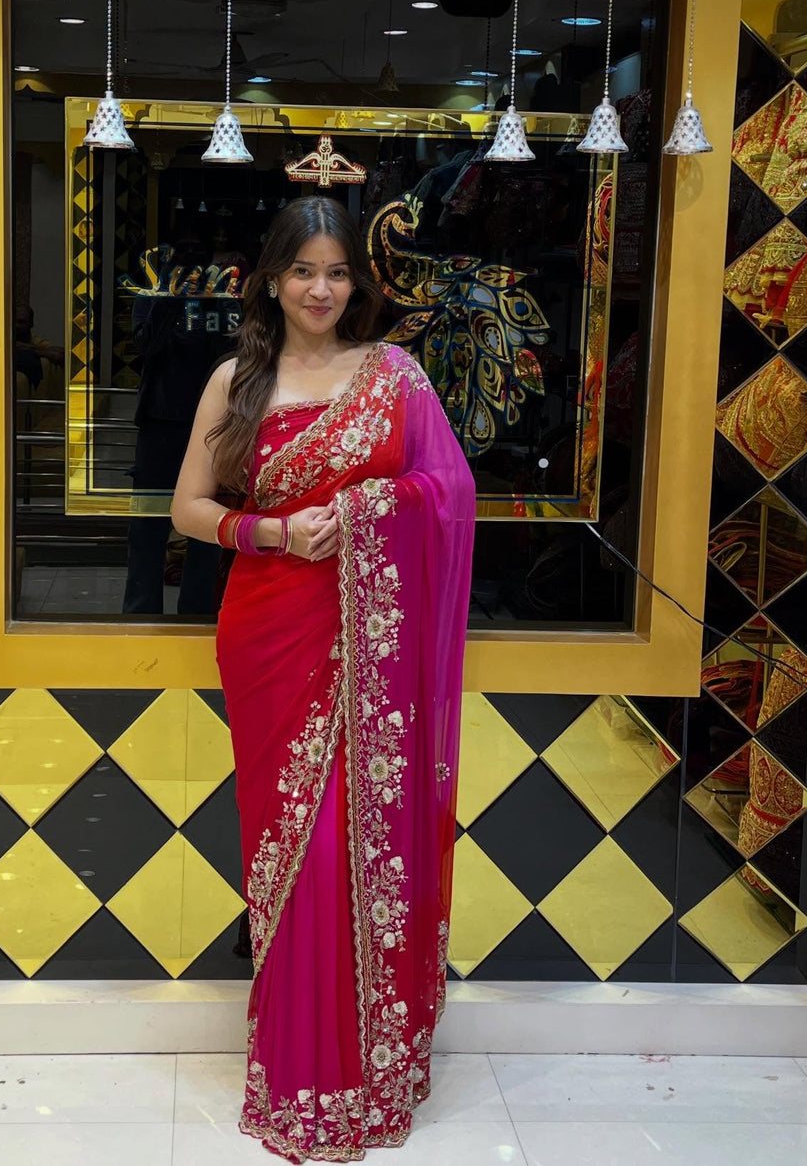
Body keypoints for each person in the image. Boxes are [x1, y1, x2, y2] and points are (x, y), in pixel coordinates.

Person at [171, 195, 476, 1162]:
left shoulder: (396, 376)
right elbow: (186, 507)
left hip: (370, 647)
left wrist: (373, 503)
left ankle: (367, 1064)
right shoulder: (235, 381)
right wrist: (270, 529)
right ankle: (298, 1065)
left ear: (359, 281)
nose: (320, 288)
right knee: (289, 853)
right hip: (269, 633)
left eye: (338, 271)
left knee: (357, 839)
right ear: (269, 277)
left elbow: (453, 492)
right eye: (303, 270)